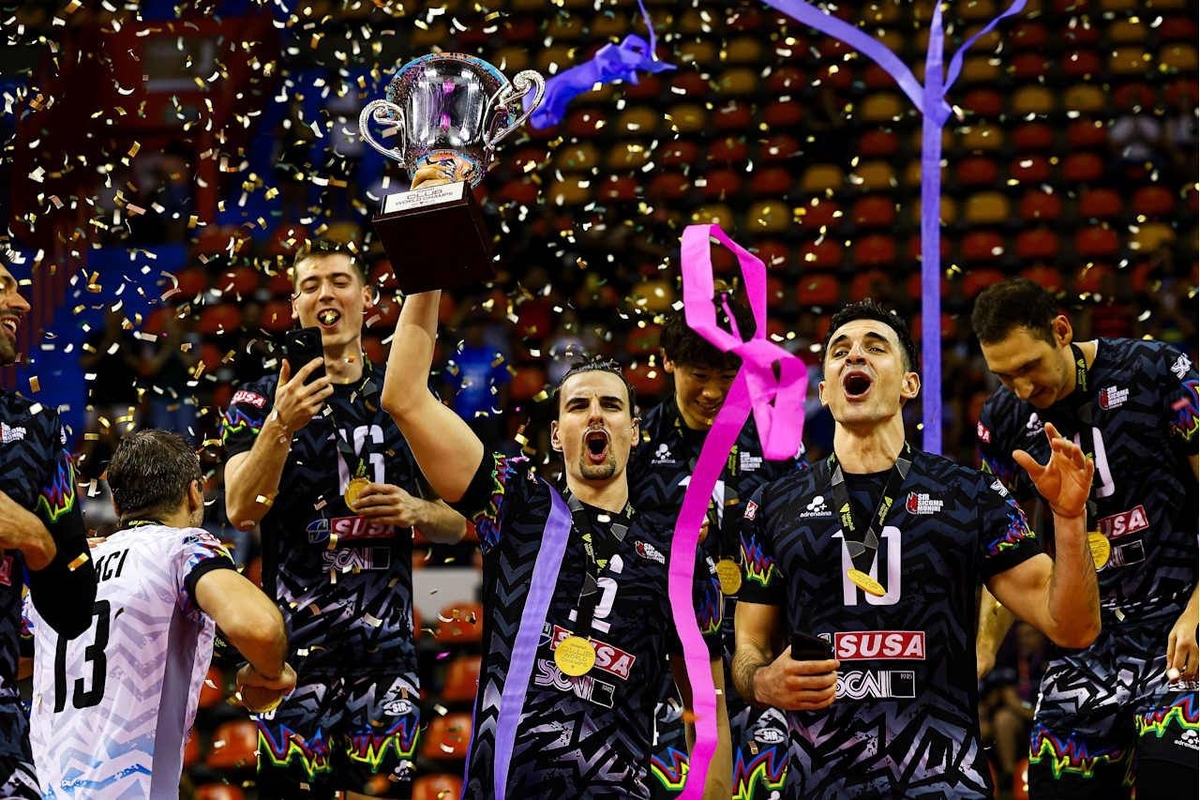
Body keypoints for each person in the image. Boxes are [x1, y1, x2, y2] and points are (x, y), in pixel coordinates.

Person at [732, 298, 1101, 798]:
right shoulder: (773, 505)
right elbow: (748, 648)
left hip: (943, 781)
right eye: (840, 351)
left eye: (875, 347)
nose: (854, 356)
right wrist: (761, 682)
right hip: (817, 784)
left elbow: (1073, 627)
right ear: (824, 391)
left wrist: (1070, 520)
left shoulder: (970, 495)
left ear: (910, 384)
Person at [380, 287, 732, 799]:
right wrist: (428, 278)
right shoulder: (516, 503)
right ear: (556, 433)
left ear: (635, 431)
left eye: (611, 405)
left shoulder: (679, 559)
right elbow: (404, 399)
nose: (595, 415)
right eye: (578, 406)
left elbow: (708, 704)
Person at [221, 239, 466, 800]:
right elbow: (240, 509)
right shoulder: (257, 401)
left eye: (339, 281)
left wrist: (417, 510)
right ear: (295, 306)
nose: (325, 294)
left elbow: (456, 525)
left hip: (386, 658)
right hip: (292, 660)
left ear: (367, 298)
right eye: (310, 286)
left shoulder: (403, 399)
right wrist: (281, 425)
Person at [972, 277, 1198, 798]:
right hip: (1086, 642)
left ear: (1061, 330)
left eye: (1029, 367)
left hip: (1178, 620)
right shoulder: (1003, 420)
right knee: (1056, 787)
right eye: (1004, 376)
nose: (1022, 388)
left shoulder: (1156, 371)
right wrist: (982, 652)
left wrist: (1197, 611)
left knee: (1173, 781)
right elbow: (1005, 551)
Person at [23, 429, 295, 799]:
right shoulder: (183, 548)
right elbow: (260, 629)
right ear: (195, 493)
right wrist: (270, 672)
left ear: (117, 504)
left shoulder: (69, 568)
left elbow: (16, 659)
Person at [626, 293, 807, 800]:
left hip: (762, 658)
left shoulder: (775, 439)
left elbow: (806, 540)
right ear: (667, 362)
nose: (712, 392)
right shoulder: (637, 445)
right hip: (670, 671)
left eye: (728, 376)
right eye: (698, 374)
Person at [0, 255, 98, 797]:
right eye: (2, 287)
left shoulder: (34, 427)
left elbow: (75, 606)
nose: (20, 303)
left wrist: (37, 541)